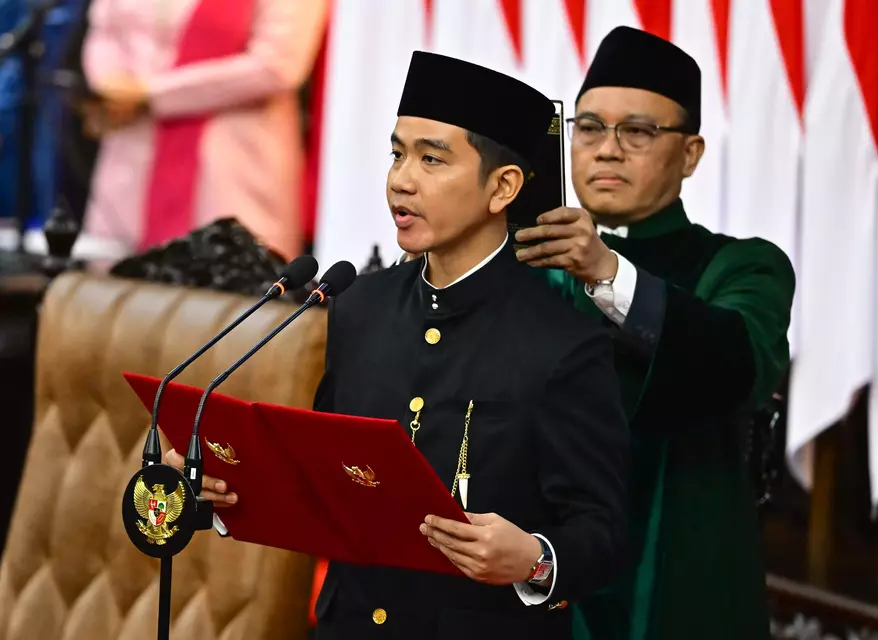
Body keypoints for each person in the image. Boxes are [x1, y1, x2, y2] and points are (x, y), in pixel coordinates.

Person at [167, 51, 630, 639]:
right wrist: (225, 488)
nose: (400, 180)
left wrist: (535, 558)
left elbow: (605, 532)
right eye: (397, 154)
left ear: (503, 187)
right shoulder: (361, 305)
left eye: (432, 159)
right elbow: (325, 475)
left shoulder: (563, 341)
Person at [514, 27, 796, 640]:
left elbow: (737, 361)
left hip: (667, 581)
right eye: (588, 128)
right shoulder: (524, 261)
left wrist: (605, 273)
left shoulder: (742, 266)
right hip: (530, 579)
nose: (607, 150)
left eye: (637, 132)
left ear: (690, 154)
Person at [77, 0, 327, 260]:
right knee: (116, 286)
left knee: (229, 280)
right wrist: (109, 84)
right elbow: (106, 30)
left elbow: (278, 66)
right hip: (133, 147)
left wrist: (152, 93)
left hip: (231, 161)